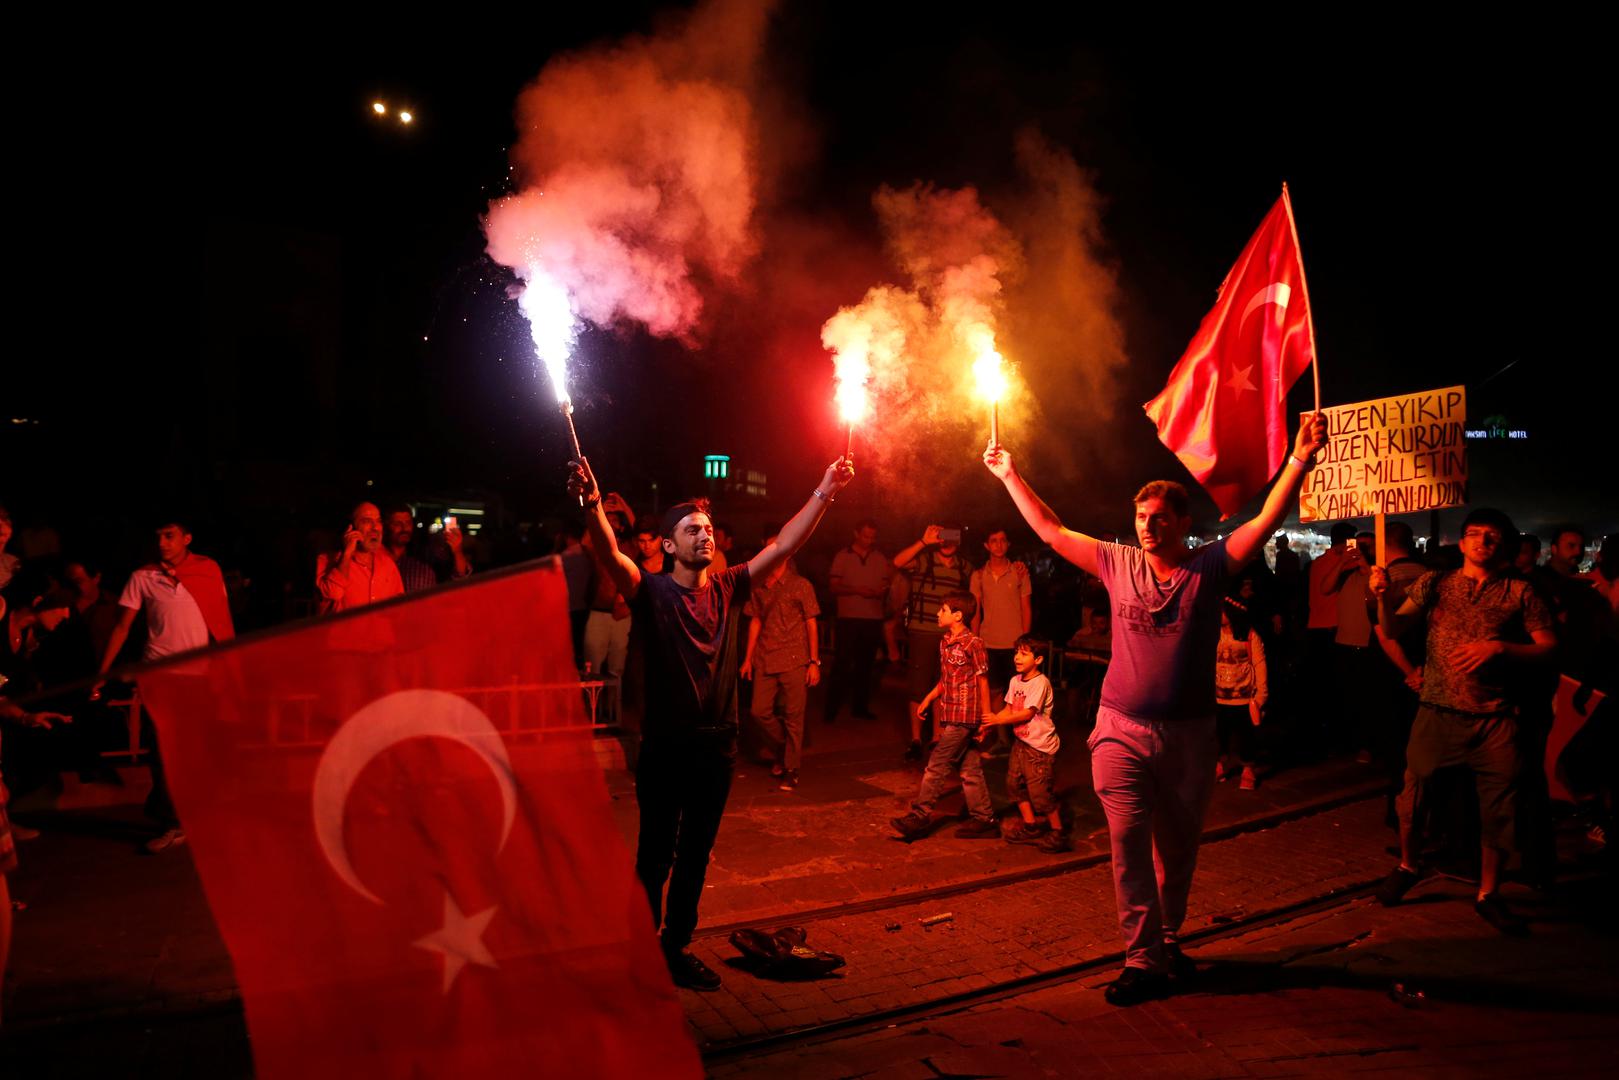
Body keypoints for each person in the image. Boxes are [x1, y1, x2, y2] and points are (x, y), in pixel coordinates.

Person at [983, 412, 1326, 1006]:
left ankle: (1166, 942)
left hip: (1189, 737)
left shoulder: (1210, 565)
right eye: (1141, 517)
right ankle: (1141, 959)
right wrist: (1010, 474)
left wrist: (1299, 458)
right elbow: (1052, 531)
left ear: (1183, 524)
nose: (1146, 526)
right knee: (1129, 847)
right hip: (1121, 731)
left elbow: (1264, 521)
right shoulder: (1117, 562)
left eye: (1159, 517)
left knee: (1178, 850)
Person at [567, 453, 853, 992]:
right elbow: (608, 551)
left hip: (717, 748)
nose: (704, 535)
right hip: (666, 748)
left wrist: (826, 488)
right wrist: (592, 503)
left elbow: (785, 546)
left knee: (695, 855)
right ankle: (639, 950)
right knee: (656, 855)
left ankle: (674, 949)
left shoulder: (729, 586)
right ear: (668, 545)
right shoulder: (650, 591)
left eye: (706, 529)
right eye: (691, 530)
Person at [1371, 508, 1555, 935]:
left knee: (1499, 808)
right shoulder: (1436, 583)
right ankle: (1408, 865)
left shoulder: (1520, 592)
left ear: (1502, 544)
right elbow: (1393, 629)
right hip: (1437, 712)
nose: (1482, 542)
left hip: (1495, 719)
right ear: (1462, 541)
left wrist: (1500, 648)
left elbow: (1548, 646)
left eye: (1491, 536)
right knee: (1412, 797)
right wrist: (1380, 597)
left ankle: (1489, 893)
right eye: (1474, 533)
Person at [93, 517, 236, 853]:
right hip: (159, 674)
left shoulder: (208, 569)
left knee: (198, 748)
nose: (162, 543)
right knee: (162, 748)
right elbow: (122, 627)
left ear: (187, 538)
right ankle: (172, 821)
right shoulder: (143, 576)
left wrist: (227, 669)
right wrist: (102, 672)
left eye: (169, 536)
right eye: (158, 536)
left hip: (200, 675)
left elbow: (221, 619)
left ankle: (199, 814)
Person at [889, 592, 996, 842]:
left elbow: (983, 681)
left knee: (936, 765)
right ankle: (985, 819)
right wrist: (928, 699)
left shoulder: (974, 644)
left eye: (944, 610)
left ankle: (920, 815)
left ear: (958, 616)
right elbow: (946, 679)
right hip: (951, 712)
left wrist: (986, 717)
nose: (938, 613)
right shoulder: (945, 641)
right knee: (969, 769)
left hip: (965, 715)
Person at [741, 546, 820, 791]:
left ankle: (791, 768)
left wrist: (814, 662)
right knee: (759, 712)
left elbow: (811, 623)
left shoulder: (801, 585)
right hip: (765, 657)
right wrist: (748, 658)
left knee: (794, 716)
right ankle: (784, 751)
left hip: (794, 658)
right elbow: (755, 620)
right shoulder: (759, 586)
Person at [893, 526, 973, 761]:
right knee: (918, 686)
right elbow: (898, 562)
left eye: (953, 536)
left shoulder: (964, 567)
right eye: (944, 537)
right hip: (922, 632)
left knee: (943, 685)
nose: (948, 542)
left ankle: (937, 736)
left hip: (951, 636)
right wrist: (923, 541)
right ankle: (916, 740)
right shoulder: (924, 560)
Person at [981, 635, 1065, 851]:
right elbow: (1009, 709)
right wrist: (990, 722)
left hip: (1039, 748)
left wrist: (998, 720)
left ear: (1038, 659)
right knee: (1014, 785)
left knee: (1040, 792)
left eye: (1024, 654)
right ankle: (1031, 825)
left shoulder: (1040, 683)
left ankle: (1057, 831)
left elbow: (1027, 713)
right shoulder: (1015, 681)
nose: (1017, 657)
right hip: (1021, 743)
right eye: (1016, 652)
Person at [971, 527, 1032, 748]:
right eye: (994, 541)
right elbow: (976, 612)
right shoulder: (978, 575)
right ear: (986, 545)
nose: (999, 545)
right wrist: (974, 641)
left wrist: (1025, 640)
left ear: (1008, 544)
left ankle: (1022, 739)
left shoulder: (1019, 572)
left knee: (1019, 692)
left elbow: (1026, 607)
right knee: (994, 691)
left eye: (1003, 540)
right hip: (989, 642)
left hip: (1015, 643)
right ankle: (1002, 739)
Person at [824, 519, 889, 724]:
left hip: (873, 618)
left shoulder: (879, 558)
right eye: (866, 536)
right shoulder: (843, 556)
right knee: (841, 664)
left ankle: (860, 707)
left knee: (866, 666)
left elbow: (885, 584)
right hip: (848, 619)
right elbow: (834, 586)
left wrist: (880, 592)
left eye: (873, 537)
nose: (869, 540)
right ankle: (831, 708)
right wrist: (857, 590)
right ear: (856, 534)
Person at [1214, 599, 1267, 791]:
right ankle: (1219, 765)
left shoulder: (1250, 636)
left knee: (1246, 736)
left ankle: (1248, 769)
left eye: (1223, 610)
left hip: (1243, 697)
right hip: (1219, 696)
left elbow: (1259, 664)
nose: (1219, 614)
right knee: (1219, 734)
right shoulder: (1214, 634)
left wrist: (1261, 695)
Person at [316, 502, 404, 613]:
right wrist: (347, 553)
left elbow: (400, 608)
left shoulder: (387, 564)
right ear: (351, 528)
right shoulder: (326, 560)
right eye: (367, 521)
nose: (375, 527)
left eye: (378, 521)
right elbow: (334, 593)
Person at [382, 505, 470, 594]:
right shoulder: (379, 557)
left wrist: (457, 550)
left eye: (408, 523)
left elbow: (460, 576)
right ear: (386, 526)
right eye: (397, 524)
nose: (404, 528)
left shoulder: (425, 556)